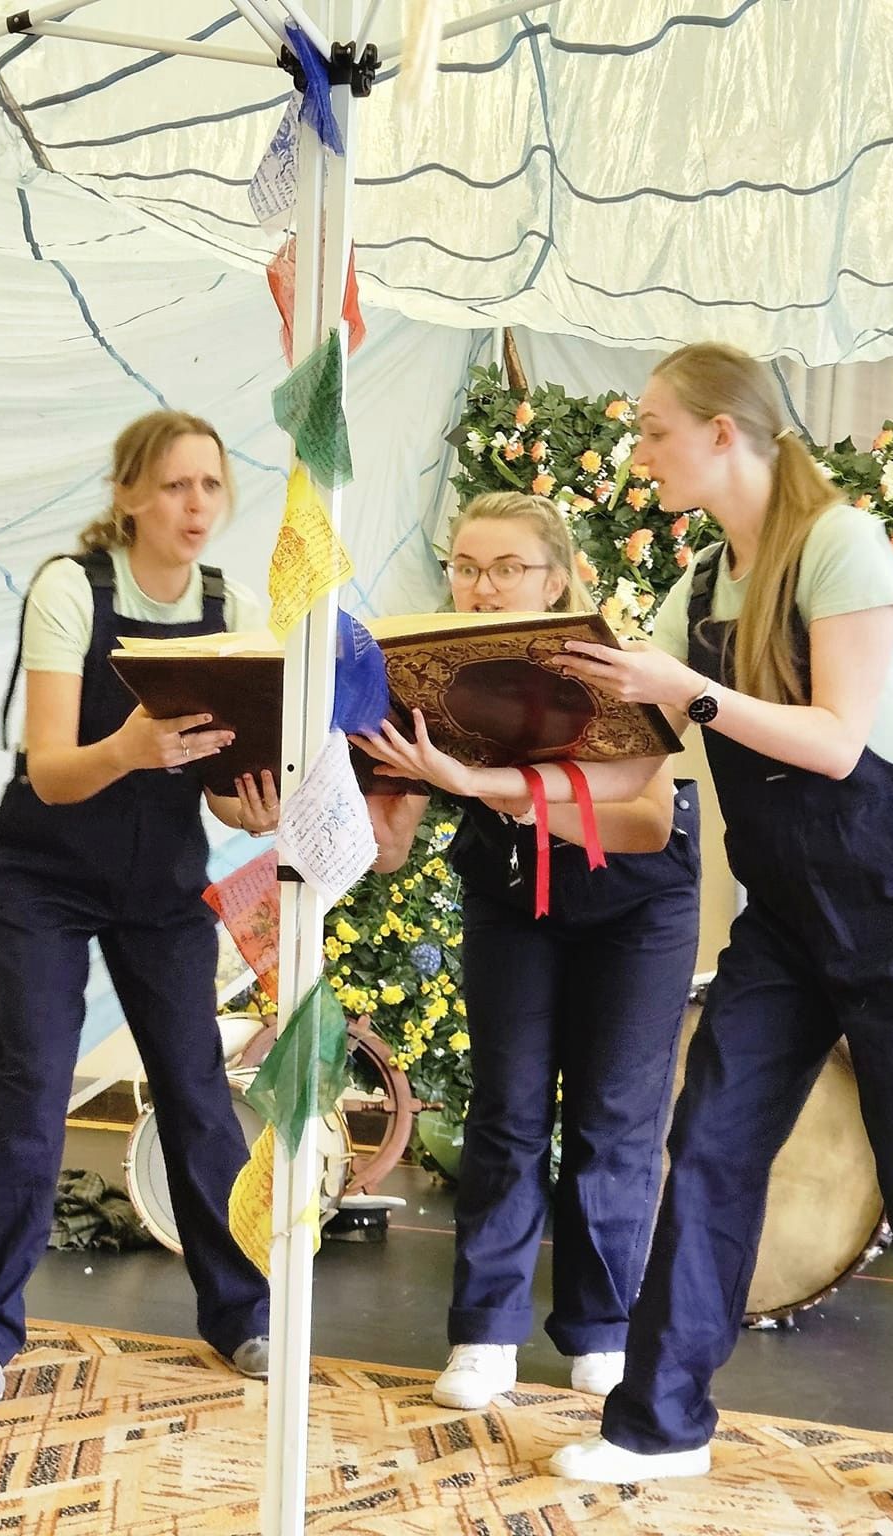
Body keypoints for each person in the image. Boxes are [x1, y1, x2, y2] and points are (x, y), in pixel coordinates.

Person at [538, 344, 893, 1536]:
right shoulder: (698, 587)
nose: (640, 452)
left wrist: (679, 688)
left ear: (724, 434)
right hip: (787, 911)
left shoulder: (840, 542)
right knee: (713, 1141)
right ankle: (658, 1422)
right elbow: (640, 756)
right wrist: (482, 752)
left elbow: (839, 741)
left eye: (652, 431)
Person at [0, 410, 279, 1405]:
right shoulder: (68, 590)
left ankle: (243, 1315)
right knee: (33, 1081)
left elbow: (218, 781)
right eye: (173, 486)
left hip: (159, 880)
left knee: (198, 1089)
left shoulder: (231, 603)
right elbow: (47, 772)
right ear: (127, 497)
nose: (196, 505)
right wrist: (126, 748)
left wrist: (244, 805)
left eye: (209, 485)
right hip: (43, 873)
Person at [364, 492, 701, 1408]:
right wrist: (306, 802)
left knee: (614, 1118)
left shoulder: (609, 664)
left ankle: (602, 1329)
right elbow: (390, 840)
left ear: (557, 578)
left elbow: (641, 817)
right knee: (507, 1112)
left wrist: (497, 788)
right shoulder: (426, 667)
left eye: (507, 568)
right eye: (467, 567)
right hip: (510, 890)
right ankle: (483, 1334)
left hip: (635, 901)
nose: (481, 586)